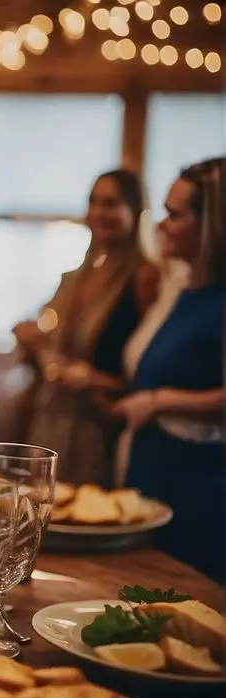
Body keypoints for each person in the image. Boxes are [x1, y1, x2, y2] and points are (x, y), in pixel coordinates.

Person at [14, 170, 160, 487]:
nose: (97, 212)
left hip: (99, 426)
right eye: (93, 201)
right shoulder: (75, 276)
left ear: (135, 212)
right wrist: (33, 343)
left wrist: (92, 379)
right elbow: (51, 349)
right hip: (54, 419)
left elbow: (148, 369)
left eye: (110, 203)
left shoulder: (145, 278)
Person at [119, 157, 224, 580]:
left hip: (197, 484)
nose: (161, 224)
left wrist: (161, 401)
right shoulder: (182, 288)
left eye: (174, 214)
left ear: (213, 224)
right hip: (154, 468)